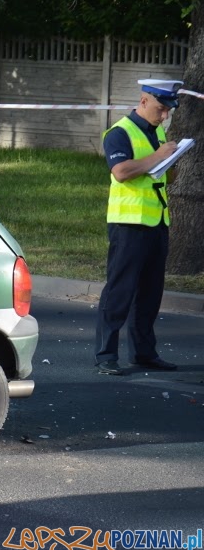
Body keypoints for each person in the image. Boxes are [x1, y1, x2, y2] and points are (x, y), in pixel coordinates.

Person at [94, 78, 184, 375]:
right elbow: (121, 172)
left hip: (156, 221)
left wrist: (170, 163)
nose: (165, 116)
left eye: (168, 111)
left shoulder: (156, 131)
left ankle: (144, 353)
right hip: (128, 224)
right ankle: (106, 356)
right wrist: (158, 156)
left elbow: (160, 176)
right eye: (161, 109)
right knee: (119, 292)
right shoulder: (119, 133)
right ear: (144, 101)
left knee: (150, 293)